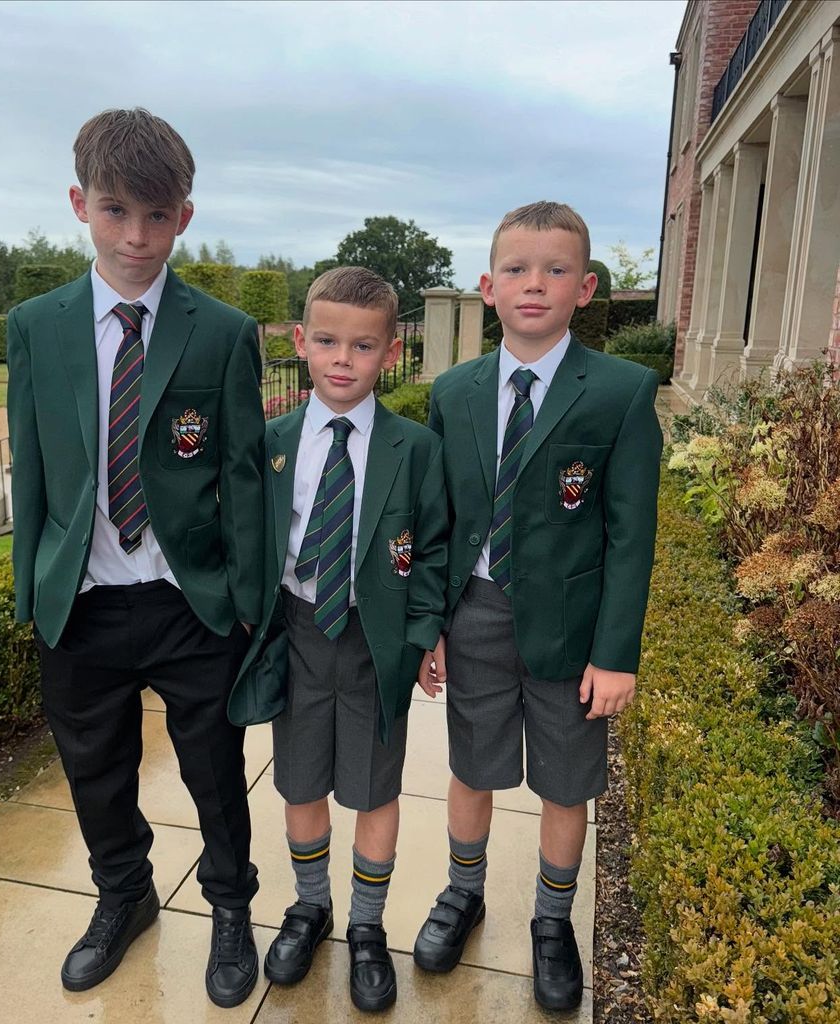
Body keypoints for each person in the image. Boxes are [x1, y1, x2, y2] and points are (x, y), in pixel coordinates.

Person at [7, 108, 265, 1008]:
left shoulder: (222, 331)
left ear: (183, 216)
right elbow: (34, 467)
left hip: (188, 602)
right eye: (116, 211)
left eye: (158, 217)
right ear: (80, 203)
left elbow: (243, 476)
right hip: (81, 602)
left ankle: (230, 906)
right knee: (97, 773)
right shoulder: (36, 325)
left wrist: (245, 601)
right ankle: (124, 894)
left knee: (215, 772)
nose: (136, 237)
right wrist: (33, 595)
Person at [411, 201, 662, 1011]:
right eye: (516, 269)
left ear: (585, 288)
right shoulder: (454, 391)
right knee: (471, 766)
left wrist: (615, 654)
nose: (534, 284)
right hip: (475, 614)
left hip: (571, 628)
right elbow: (437, 520)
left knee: (565, 782)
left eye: (556, 270)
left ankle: (552, 921)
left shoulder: (621, 392)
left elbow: (631, 533)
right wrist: (430, 625)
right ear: (489, 287)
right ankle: (463, 893)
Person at [228, 266, 448, 1012]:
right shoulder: (272, 442)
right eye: (326, 342)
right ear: (301, 342)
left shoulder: (415, 448)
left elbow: (434, 549)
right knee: (300, 781)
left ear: (392, 352)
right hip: (297, 633)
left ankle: (366, 925)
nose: (342, 359)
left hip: (373, 641)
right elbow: (250, 537)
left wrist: (424, 634)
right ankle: (311, 906)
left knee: (374, 788)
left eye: (363, 345)